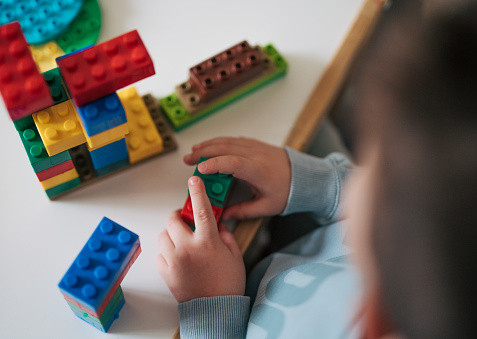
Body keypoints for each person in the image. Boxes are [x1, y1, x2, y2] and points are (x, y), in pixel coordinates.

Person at [156, 1, 477, 337]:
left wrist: (210, 310)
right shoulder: (432, 231)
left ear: (373, 321)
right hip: (292, 253)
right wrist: (313, 181)